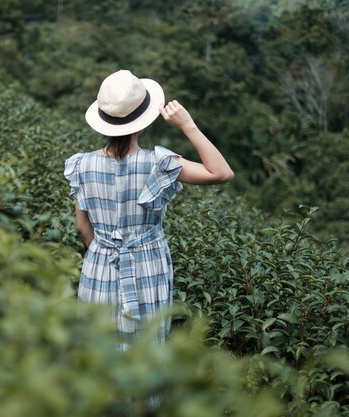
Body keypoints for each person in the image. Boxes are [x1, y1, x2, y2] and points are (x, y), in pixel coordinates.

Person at [64, 69, 233, 347]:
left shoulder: (80, 165)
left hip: (98, 265)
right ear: (142, 123)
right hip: (147, 266)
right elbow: (221, 173)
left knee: (97, 351)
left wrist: (106, 252)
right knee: (144, 352)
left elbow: (84, 229)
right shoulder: (159, 163)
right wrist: (187, 125)